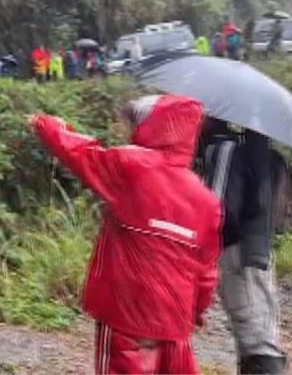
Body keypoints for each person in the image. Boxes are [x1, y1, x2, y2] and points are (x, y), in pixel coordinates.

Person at [30, 95, 222, 374]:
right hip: (174, 319)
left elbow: (82, 155)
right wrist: (196, 311)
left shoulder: (132, 167)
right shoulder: (206, 200)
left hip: (126, 313)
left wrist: (47, 125)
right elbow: (206, 270)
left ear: (153, 125)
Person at [197, 121, 287, 374]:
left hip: (235, 249)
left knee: (255, 339)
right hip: (261, 250)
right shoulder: (272, 158)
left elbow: (217, 207)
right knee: (260, 332)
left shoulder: (226, 150)